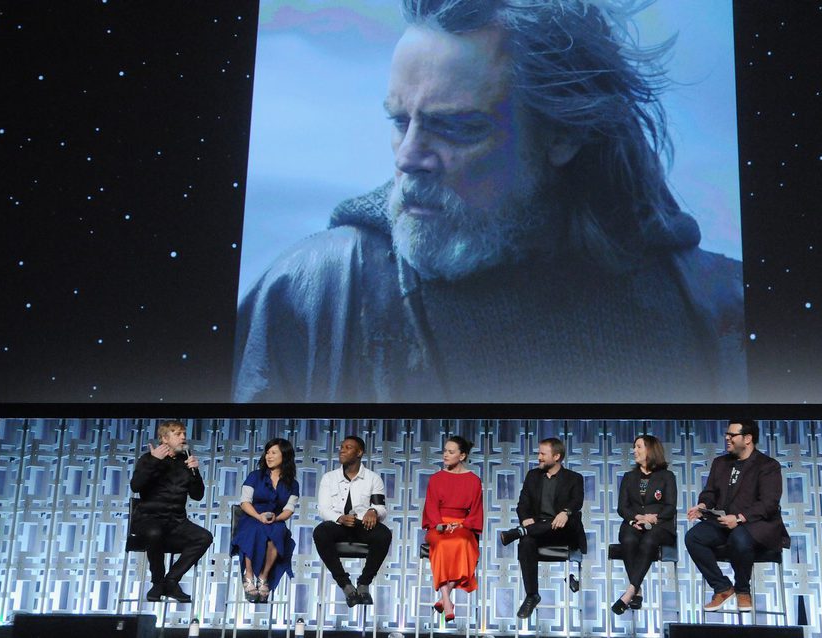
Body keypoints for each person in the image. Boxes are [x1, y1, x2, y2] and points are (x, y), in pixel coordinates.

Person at [232, 0, 746, 404]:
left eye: (456, 127)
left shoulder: (716, 305)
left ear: (562, 135)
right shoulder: (311, 295)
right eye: (398, 121)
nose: (409, 157)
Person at [685, 419, 790, 612]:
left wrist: (740, 518)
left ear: (748, 438)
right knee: (693, 537)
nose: (727, 438)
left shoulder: (767, 466)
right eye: (727, 434)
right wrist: (702, 505)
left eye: (732, 435)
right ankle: (722, 587)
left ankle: (743, 589)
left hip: (756, 525)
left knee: (739, 538)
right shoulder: (720, 463)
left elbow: (769, 503)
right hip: (725, 522)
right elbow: (710, 493)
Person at [500, 437, 587, 619]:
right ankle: (532, 595)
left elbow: (576, 501)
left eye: (542, 454)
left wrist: (566, 512)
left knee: (564, 520)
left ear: (556, 456)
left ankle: (519, 532)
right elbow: (522, 504)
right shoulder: (533, 476)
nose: (538, 457)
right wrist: (525, 519)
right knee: (525, 542)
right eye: (538, 453)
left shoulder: (574, 478)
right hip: (539, 531)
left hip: (564, 532)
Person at [129, 420, 213, 603]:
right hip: (148, 518)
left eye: (184, 433)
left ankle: (171, 581)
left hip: (176, 521)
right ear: (164, 439)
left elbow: (197, 496)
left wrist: (195, 472)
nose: (183, 437)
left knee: (204, 537)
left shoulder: (186, 461)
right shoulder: (148, 458)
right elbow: (135, 486)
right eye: (178, 434)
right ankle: (158, 582)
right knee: (154, 532)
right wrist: (153, 461)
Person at [313, 435, 392, 607]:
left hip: (362, 525)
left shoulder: (373, 478)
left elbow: (381, 508)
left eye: (348, 447)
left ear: (359, 453)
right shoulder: (329, 478)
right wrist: (339, 518)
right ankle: (345, 585)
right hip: (338, 525)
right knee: (320, 532)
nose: (342, 450)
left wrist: (373, 511)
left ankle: (364, 584)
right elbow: (323, 509)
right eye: (341, 447)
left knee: (384, 534)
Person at [611, 435, 677, 615]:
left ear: (650, 450)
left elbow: (671, 507)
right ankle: (636, 589)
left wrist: (653, 518)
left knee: (649, 540)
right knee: (629, 539)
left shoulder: (667, 476)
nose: (635, 451)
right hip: (634, 523)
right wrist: (636, 518)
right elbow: (622, 507)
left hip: (660, 526)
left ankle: (631, 591)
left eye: (639, 447)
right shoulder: (629, 476)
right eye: (634, 447)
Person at [422, 436, 484, 622]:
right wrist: (439, 524)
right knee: (441, 544)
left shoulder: (473, 480)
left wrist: (463, 524)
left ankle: (444, 597)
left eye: (451, 452)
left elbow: (476, 510)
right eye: (445, 451)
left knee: (463, 543)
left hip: (462, 525)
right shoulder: (436, 478)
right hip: (439, 525)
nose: (445, 455)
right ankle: (448, 600)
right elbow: (431, 506)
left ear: (462, 455)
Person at [231, 438, 299, 603]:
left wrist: (277, 517)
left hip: (275, 519)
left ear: (285, 455)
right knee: (254, 529)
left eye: (273, 453)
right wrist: (258, 516)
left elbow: (289, 510)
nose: (269, 456)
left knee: (277, 531)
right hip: (252, 516)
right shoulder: (255, 476)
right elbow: (245, 502)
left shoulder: (293, 484)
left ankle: (263, 576)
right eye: (267, 452)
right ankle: (248, 575)